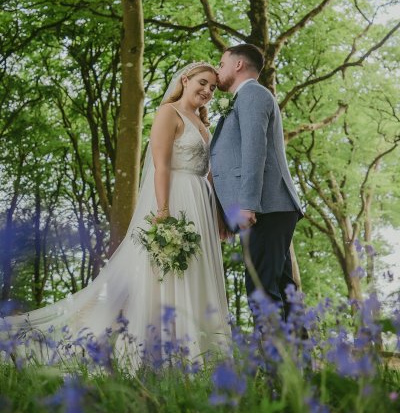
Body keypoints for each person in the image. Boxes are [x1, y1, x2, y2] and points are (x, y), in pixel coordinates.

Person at [1, 62, 230, 368]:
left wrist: (218, 216)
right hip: (176, 200)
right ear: (185, 80)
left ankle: (203, 352)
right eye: (203, 83)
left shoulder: (203, 124)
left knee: (194, 272)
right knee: (167, 275)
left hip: (200, 202)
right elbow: (161, 166)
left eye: (213, 87)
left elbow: (210, 173)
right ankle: (161, 352)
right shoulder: (169, 113)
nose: (207, 91)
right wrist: (163, 212)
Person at [210, 44, 303, 322]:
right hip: (270, 208)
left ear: (238, 65)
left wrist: (247, 205)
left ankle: (277, 365)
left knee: (261, 293)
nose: (218, 69)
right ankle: (299, 364)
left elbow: (254, 151)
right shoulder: (245, 98)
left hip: (264, 208)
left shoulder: (251, 94)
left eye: (221, 63)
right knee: (284, 293)